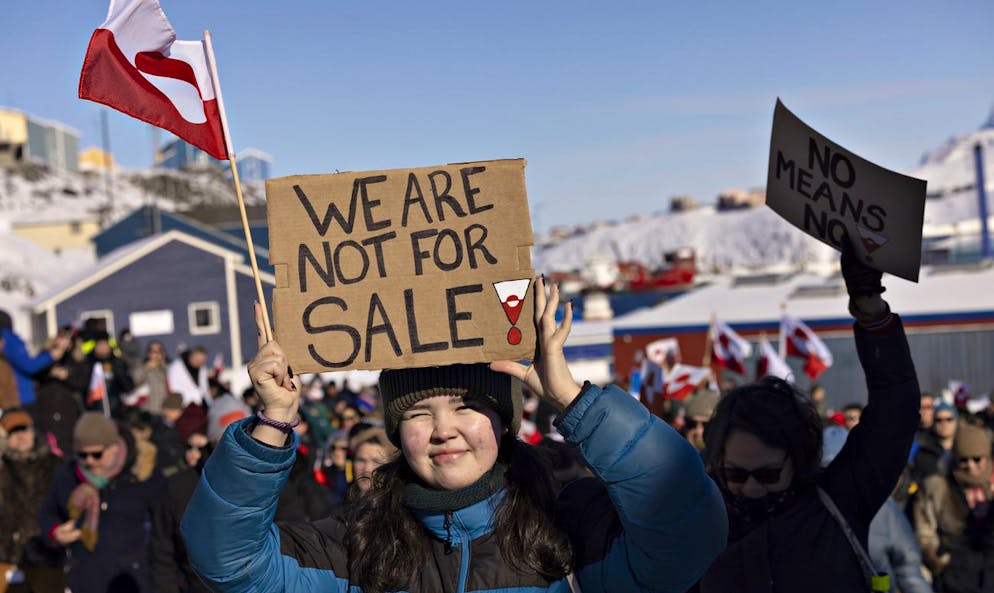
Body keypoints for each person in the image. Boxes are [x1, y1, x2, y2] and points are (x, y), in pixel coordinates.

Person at [181, 278, 727, 593]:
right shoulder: (357, 545)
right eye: (419, 413)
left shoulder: (572, 525)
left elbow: (686, 528)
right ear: (396, 431)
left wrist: (572, 399)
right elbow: (228, 562)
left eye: (466, 407)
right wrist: (274, 421)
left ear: (504, 421)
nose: (444, 430)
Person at [697, 246, 921, 593]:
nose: (752, 489)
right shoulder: (695, 526)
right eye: (736, 475)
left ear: (798, 458)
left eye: (769, 475)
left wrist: (872, 314)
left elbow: (895, 411)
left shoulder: (839, 502)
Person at [37, 412, 165, 593]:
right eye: (82, 454)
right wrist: (55, 531)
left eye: (97, 454)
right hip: (84, 578)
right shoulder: (67, 475)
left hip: (132, 579)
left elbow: (165, 527)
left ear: (114, 447)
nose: (89, 461)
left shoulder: (144, 478)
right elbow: (48, 510)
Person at [913, 423, 994, 593]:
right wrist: (941, 564)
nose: (970, 466)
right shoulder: (937, 487)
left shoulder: (992, 486)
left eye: (977, 459)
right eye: (963, 460)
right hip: (954, 575)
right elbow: (925, 534)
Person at [0, 409, 64, 593]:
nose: (20, 436)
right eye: (14, 432)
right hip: (7, 558)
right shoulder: (2, 470)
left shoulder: (56, 466)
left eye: (24, 429)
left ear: (33, 432)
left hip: (48, 556)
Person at [0, 310, 69, 414]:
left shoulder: (6, 340)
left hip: (9, 398)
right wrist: (50, 355)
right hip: (21, 397)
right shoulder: (9, 340)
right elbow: (28, 366)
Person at [82, 331, 135, 419]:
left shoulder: (118, 363)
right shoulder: (88, 364)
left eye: (105, 344)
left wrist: (118, 371)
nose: (103, 347)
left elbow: (129, 387)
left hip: (115, 412)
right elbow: (83, 387)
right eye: (100, 344)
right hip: (94, 412)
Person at [910, 400, 958, 485]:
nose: (944, 423)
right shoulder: (924, 453)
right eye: (939, 420)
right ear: (934, 423)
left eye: (949, 419)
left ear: (956, 422)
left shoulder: (964, 451)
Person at [348, 427, 397, 496]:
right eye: (361, 460)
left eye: (376, 461)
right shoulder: (341, 498)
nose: (367, 468)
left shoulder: (399, 501)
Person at [132, 341, 170, 416]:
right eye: (154, 351)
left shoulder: (168, 368)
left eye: (160, 351)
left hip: (165, 411)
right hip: (148, 411)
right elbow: (134, 383)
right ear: (148, 354)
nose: (157, 354)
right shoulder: (141, 369)